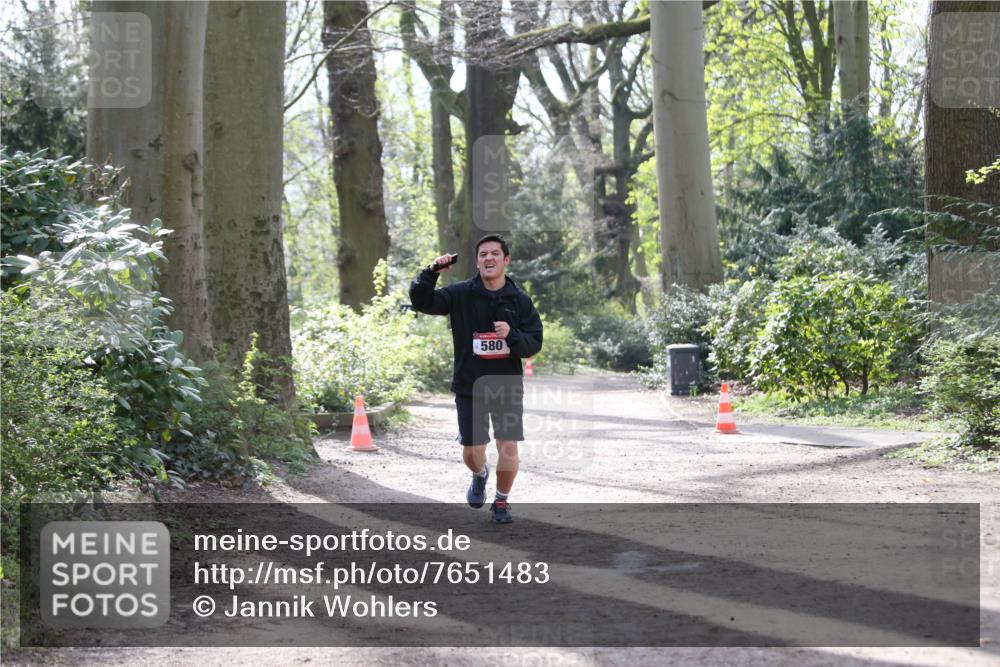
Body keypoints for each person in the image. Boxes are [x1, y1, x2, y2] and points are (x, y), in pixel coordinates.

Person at [409, 234, 543, 523]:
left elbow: (534, 343)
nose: (489, 258)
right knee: (472, 451)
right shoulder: (459, 294)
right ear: (477, 261)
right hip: (470, 385)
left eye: (495, 253)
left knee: (508, 445)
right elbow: (422, 301)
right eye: (483, 254)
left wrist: (513, 335)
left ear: (506, 260)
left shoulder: (520, 301)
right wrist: (430, 272)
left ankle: (501, 502)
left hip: (506, 386)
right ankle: (479, 475)